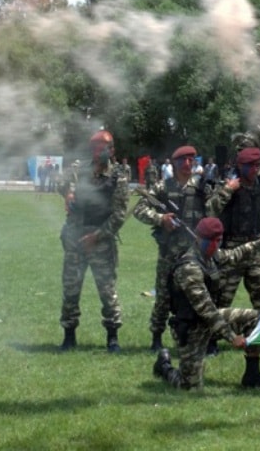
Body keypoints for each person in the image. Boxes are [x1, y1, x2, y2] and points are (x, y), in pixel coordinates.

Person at [152, 217, 260, 390]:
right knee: (189, 387)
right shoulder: (189, 268)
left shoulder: (212, 256)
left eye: (218, 241)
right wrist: (232, 337)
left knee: (256, 319)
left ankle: (252, 375)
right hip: (191, 327)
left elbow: (234, 254)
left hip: (211, 321)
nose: (214, 246)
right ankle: (164, 367)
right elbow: (206, 310)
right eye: (210, 241)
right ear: (198, 238)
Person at [57, 130, 129, 352]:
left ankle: (112, 338)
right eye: (95, 147)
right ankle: (69, 336)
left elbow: (119, 215)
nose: (99, 151)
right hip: (75, 239)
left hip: (101, 241)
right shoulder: (79, 170)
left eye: (103, 147)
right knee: (71, 288)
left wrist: (97, 236)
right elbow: (60, 181)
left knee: (107, 291)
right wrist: (67, 193)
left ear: (112, 149)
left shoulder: (118, 177)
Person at [133, 145, 209, 352]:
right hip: (169, 252)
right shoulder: (162, 187)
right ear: (174, 163)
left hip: (193, 253)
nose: (187, 164)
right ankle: (156, 337)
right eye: (183, 160)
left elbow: (214, 210)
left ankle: (195, 338)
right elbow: (139, 209)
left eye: (191, 160)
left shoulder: (201, 187)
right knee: (164, 296)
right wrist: (161, 219)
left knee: (196, 295)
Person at [206, 146, 260, 354]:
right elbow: (210, 209)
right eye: (249, 166)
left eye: (257, 165)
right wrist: (228, 190)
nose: (254, 169)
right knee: (222, 297)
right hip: (232, 249)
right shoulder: (228, 184)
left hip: (256, 248)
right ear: (240, 166)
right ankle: (211, 341)